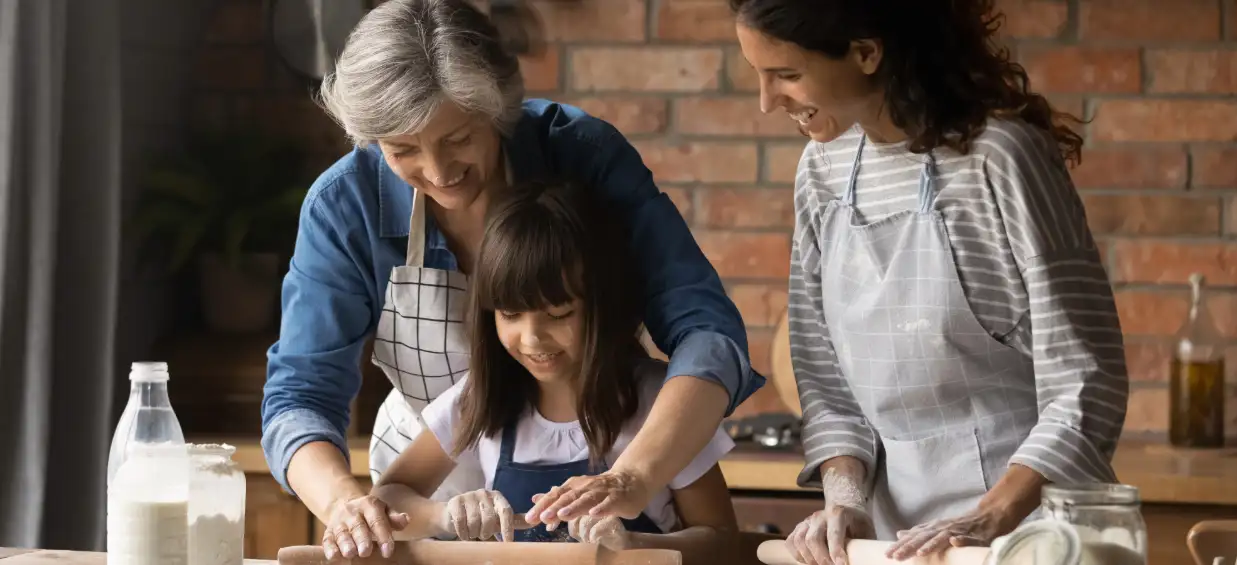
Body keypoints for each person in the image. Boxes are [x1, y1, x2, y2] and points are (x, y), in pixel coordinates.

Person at [261, 0, 762, 558]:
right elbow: (300, 395)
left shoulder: (583, 157)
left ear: (497, 108)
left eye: (458, 138)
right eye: (402, 150)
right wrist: (343, 505)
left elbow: (706, 334)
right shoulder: (345, 205)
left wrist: (632, 477)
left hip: (617, 468)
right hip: (419, 506)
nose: (438, 171)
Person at [728, 1, 1129, 563]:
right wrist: (846, 499)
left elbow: (1087, 381)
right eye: (759, 76)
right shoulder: (823, 170)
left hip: (1031, 534)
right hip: (897, 542)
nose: (768, 102)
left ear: (867, 52)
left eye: (788, 75)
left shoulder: (1002, 159)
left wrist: (990, 517)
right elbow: (826, 382)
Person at [324, 178, 738, 563]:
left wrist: (633, 547)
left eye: (558, 314)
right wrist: (443, 515)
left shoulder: (663, 403)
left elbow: (723, 540)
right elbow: (391, 497)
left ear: (603, 304)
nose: (532, 338)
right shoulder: (480, 399)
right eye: (510, 314)